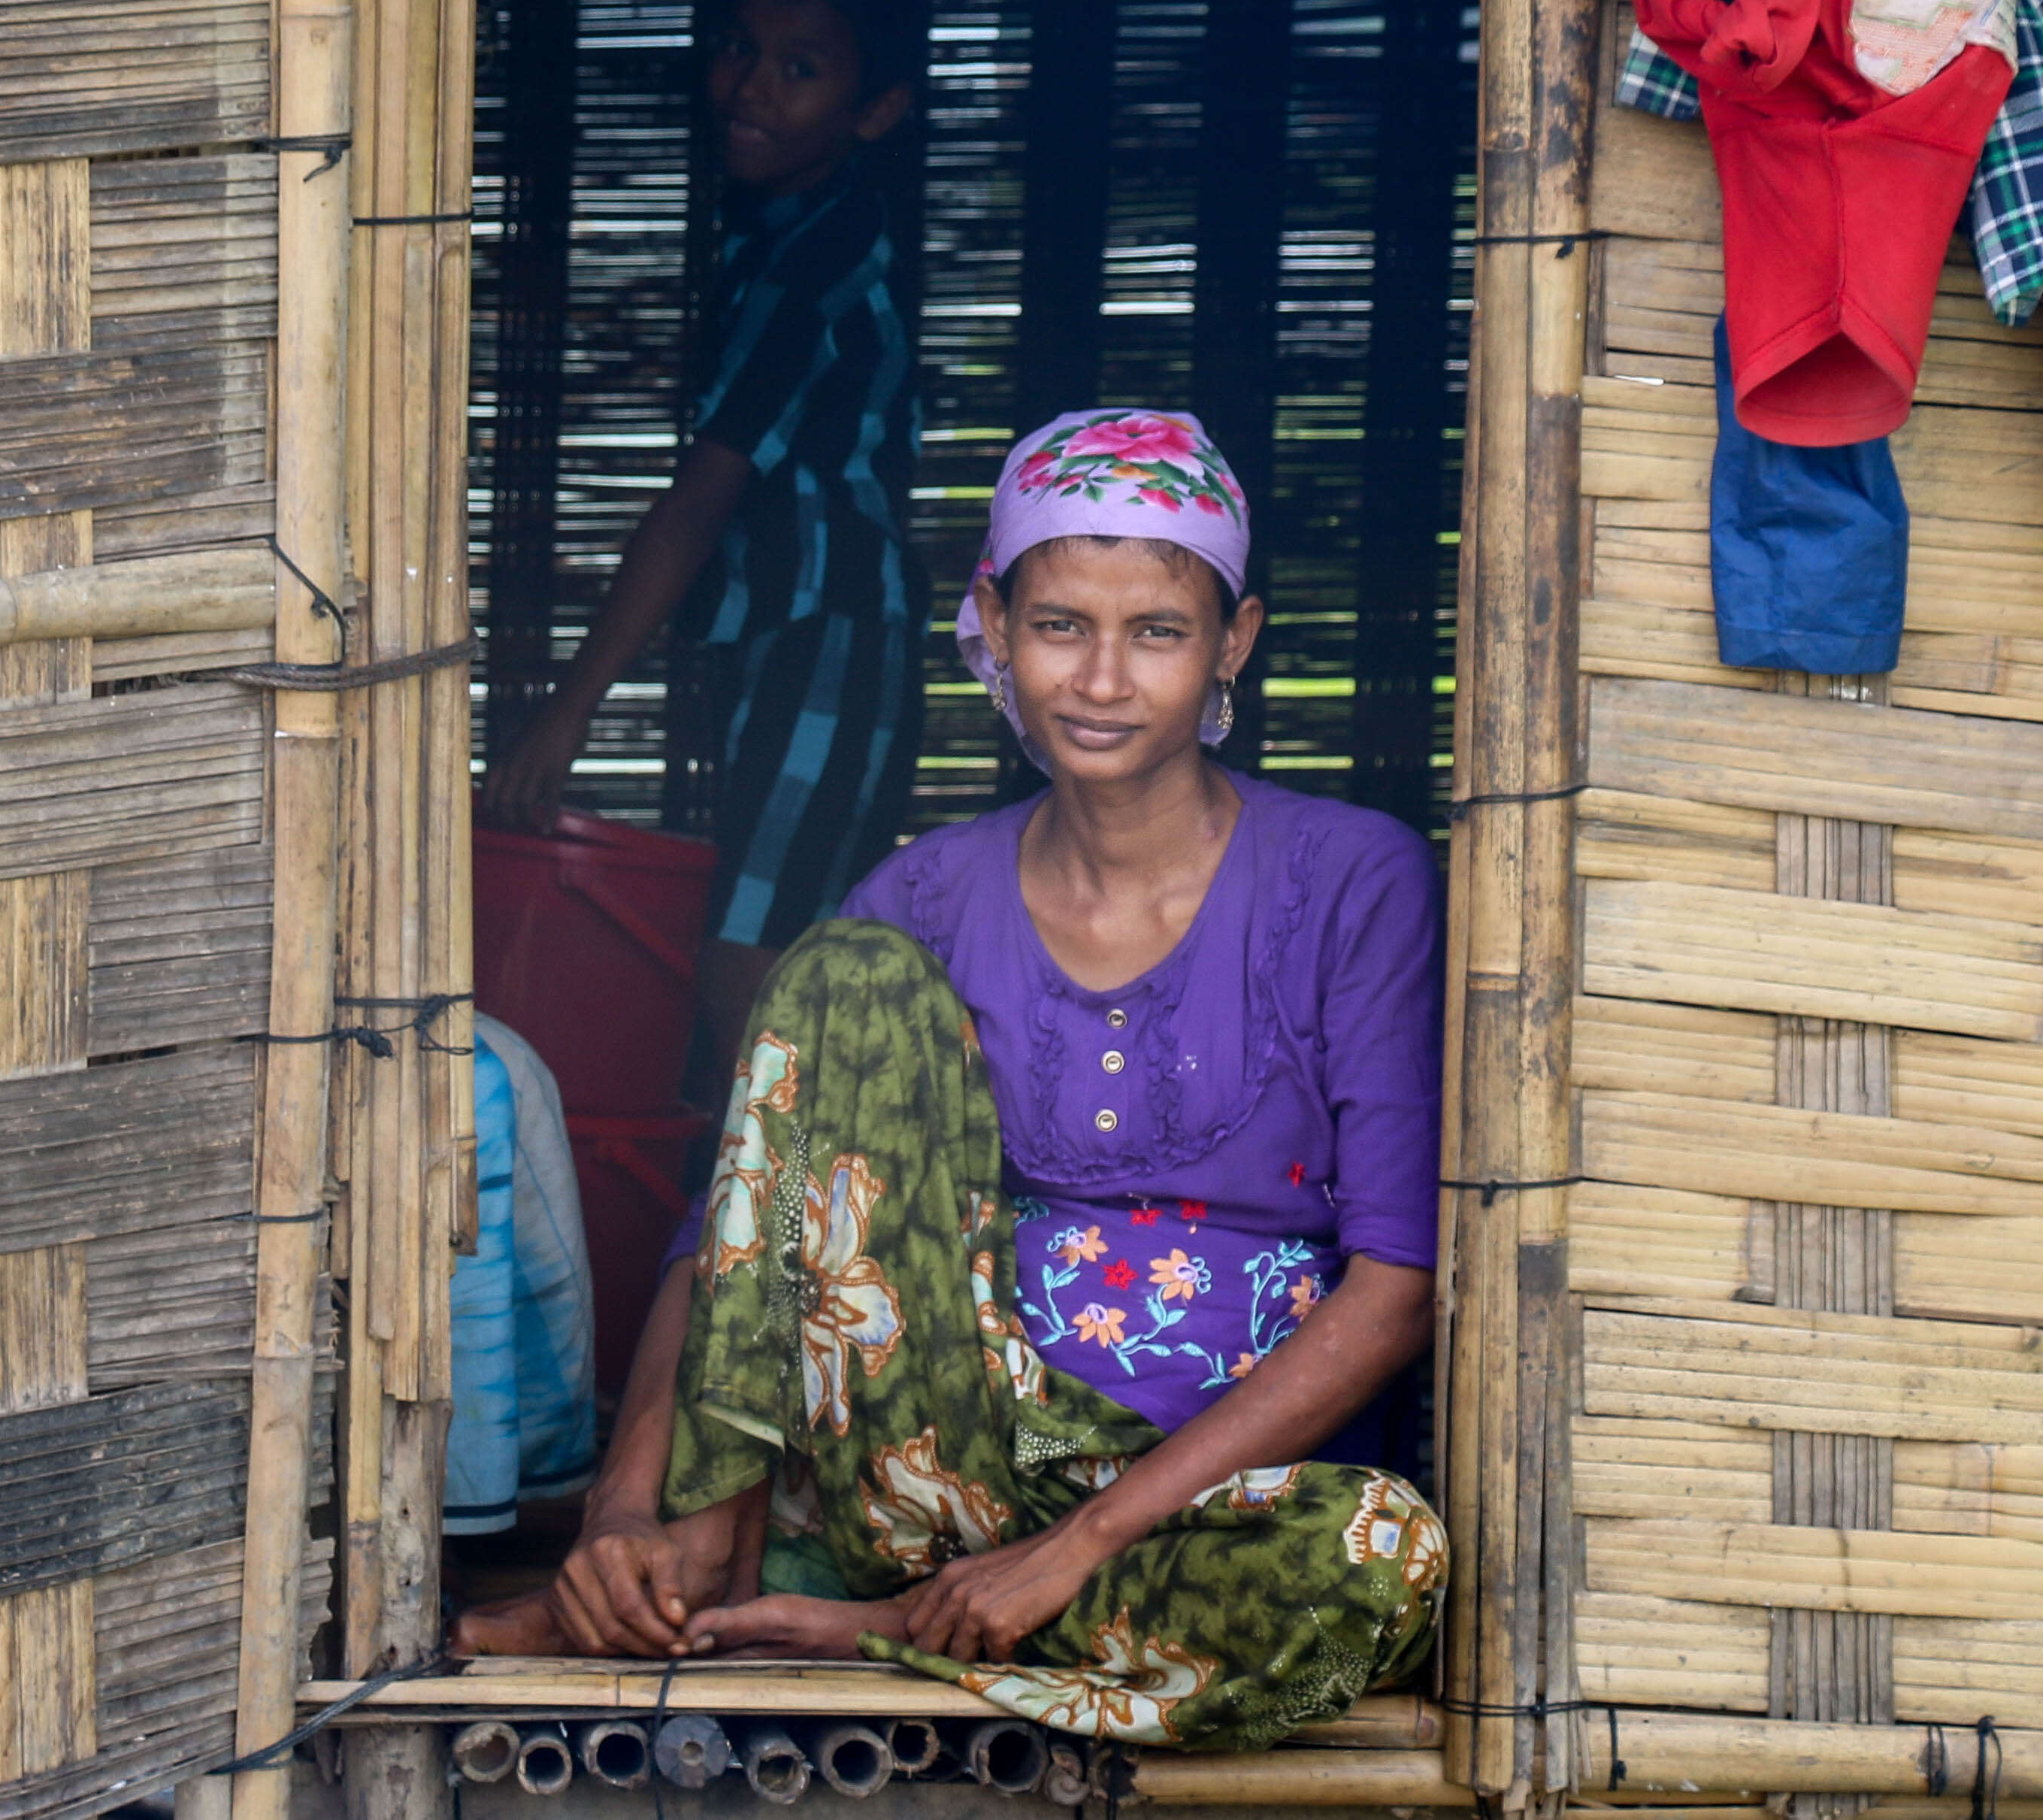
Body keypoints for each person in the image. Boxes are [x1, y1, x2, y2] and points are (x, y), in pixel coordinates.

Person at [456, 410, 1447, 1754]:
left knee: (1383, 1558)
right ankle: (695, 1564)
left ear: (1236, 641)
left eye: (1155, 630)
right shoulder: (918, 896)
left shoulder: (1354, 881)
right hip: (928, 1465)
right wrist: (618, 1508)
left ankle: (867, 1620)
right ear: (990, 621)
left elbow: (1395, 1290)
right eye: (1057, 626)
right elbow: (730, 1238)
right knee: (838, 974)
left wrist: (1075, 1543)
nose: (1101, 677)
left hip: (1208, 1502)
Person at [481, 0, 928, 1090]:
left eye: (800, 68)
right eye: (739, 46)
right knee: (770, 945)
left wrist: (566, 710)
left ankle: (786, 1255)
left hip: (831, 638)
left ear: (873, 110)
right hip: (794, 636)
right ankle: (772, 1244)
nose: (750, 84)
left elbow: (697, 502)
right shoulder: (781, 235)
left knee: (754, 966)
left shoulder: (812, 267)